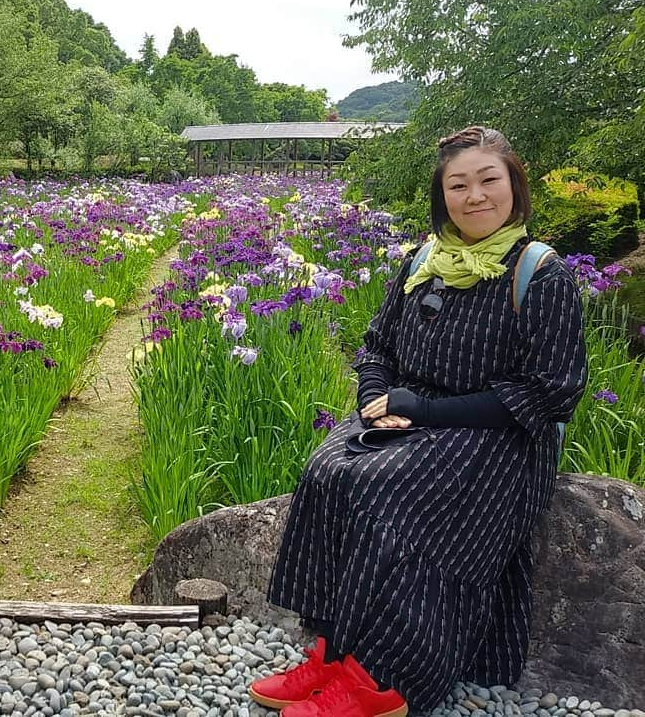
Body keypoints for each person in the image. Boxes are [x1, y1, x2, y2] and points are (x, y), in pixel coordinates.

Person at [250, 126, 589, 716]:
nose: (475, 196)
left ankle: (384, 680)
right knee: (327, 471)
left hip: (499, 433)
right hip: (415, 416)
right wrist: (375, 396)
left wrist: (424, 410)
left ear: (515, 187)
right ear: (442, 196)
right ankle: (332, 651)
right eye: (458, 185)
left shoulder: (541, 275)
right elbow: (377, 345)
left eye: (489, 181)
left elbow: (551, 393)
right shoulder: (423, 261)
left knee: (388, 491)